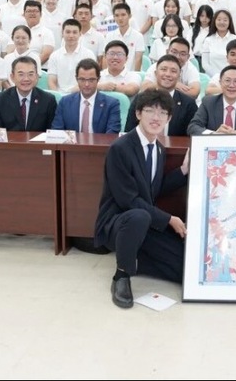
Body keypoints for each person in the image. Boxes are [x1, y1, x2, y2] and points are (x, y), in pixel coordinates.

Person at [95, 89, 190, 308]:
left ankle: (139, 261)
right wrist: (169, 219)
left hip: (144, 222)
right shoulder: (120, 148)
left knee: (184, 266)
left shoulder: (159, 149)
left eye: (162, 113)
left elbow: (152, 190)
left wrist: (183, 171)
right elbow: (128, 200)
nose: (156, 118)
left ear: (169, 118)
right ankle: (122, 275)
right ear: (138, 113)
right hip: (117, 222)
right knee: (138, 216)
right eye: (150, 111)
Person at [126, 56, 197, 136]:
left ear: (179, 76)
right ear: (155, 73)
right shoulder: (141, 98)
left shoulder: (188, 103)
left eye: (173, 71)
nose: (168, 74)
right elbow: (129, 130)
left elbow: (192, 134)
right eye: (163, 69)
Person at [0, 56, 58, 131]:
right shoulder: (0, 100)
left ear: (36, 77)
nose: (26, 79)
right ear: (12, 77)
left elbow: (53, 132)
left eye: (30, 74)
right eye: (21, 74)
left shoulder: (48, 100)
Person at [188, 65, 236, 135]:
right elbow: (193, 127)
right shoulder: (208, 102)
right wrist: (214, 134)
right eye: (227, 81)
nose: (231, 85)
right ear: (220, 83)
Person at [51, 59, 121, 134]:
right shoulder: (65, 102)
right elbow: (57, 132)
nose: (86, 84)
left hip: (100, 142)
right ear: (76, 79)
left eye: (91, 80)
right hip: (72, 142)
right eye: (82, 79)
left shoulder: (111, 104)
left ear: (98, 79)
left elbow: (112, 133)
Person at [47, 19, 96, 93]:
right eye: (68, 32)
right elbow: (51, 81)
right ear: (62, 33)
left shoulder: (88, 54)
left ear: (80, 34)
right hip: (60, 96)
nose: (71, 36)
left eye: (74, 32)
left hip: (82, 94)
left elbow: (91, 80)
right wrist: (57, 96)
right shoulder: (54, 56)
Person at [201, 9, 236, 77]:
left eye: (225, 20)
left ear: (229, 22)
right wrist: (217, 76)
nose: (222, 22)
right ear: (214, 21)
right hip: (212, 77)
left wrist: (228, 76)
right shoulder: (208, 40)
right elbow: (205, 64)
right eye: (219, 19)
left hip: (232, 77)